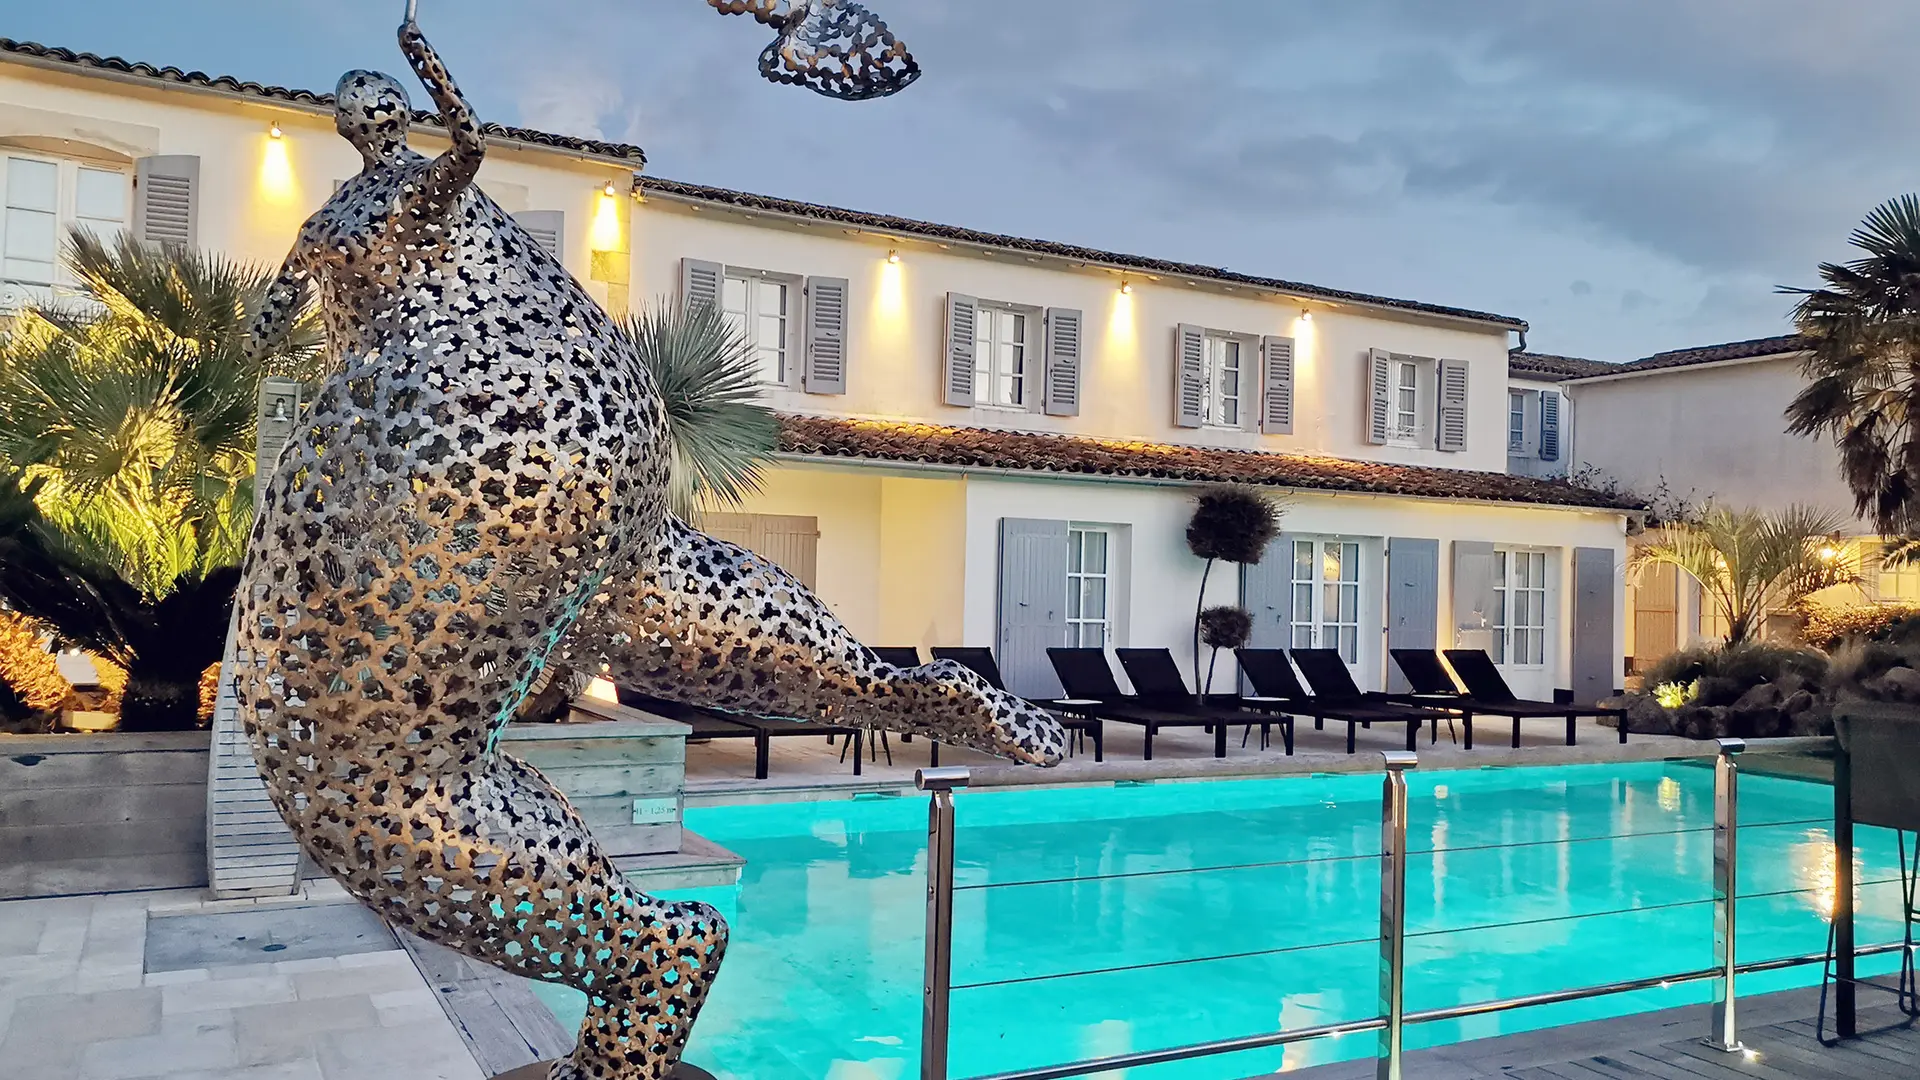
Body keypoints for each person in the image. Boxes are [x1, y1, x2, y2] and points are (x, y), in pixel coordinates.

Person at [238, 11, 1063, 1079]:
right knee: (659, 588)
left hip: (465, 450)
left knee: (361, 787)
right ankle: (894, 688)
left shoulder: (387, 200)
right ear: (359, 120)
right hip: (593, 446)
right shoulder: (365, 212)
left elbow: (456, 159)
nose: (371, 111)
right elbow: (295, 294)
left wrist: (431, 74)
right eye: (367, 101)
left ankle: (644, 954)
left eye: (375, 99)